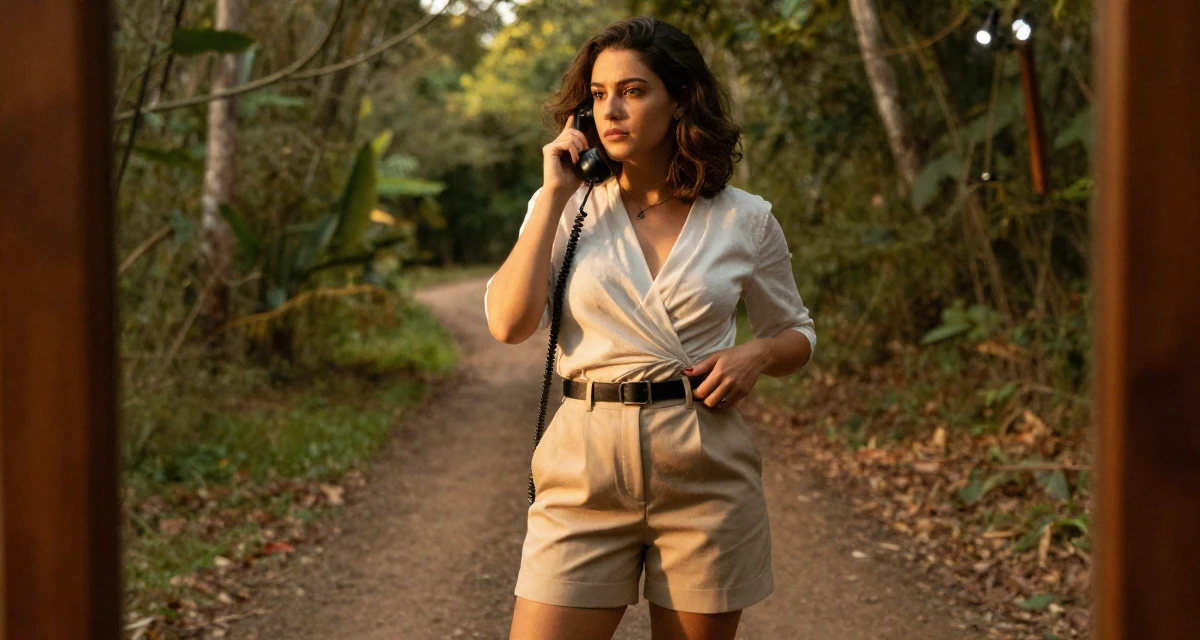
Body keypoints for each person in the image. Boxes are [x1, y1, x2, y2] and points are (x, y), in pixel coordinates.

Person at [484, 16, 817, 640]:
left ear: (681, 99)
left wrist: (756, 354)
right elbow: (508, 323)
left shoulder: (745, 219)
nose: (611, 110)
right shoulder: (563, 206)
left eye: (633, 91)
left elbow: (796, 333)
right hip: (583, 467)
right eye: (598, 94)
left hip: (705, 468)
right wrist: (552, 196)